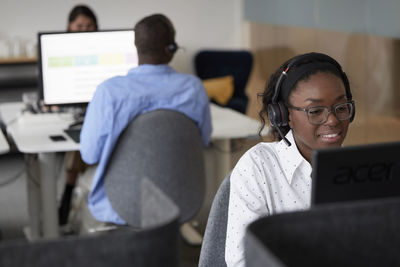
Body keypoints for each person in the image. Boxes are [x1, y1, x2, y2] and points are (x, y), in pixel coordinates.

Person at [225, 52, 355, 266]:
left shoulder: (359, 169)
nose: (332, 120)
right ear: (285, 115)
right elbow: (243, 260)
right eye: (315, 111)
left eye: (341, 108)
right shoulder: (258, 167)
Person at [79, 14, 212, 224]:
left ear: (136, 47)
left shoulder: (109, 92)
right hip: (179, 199)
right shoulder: (194, 88)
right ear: (171, 49)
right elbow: (203, 141)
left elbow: (89, 155)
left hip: (121, 204)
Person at [58, 4, 98, 226]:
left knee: (85, 140)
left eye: (89, 26)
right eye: (79, 26)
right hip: (69, 111)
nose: (84, 31)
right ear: (69, 27)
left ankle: (68, 194)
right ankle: (68, 195)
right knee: (78, 143)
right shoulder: (59, 51)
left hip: (97, 110)